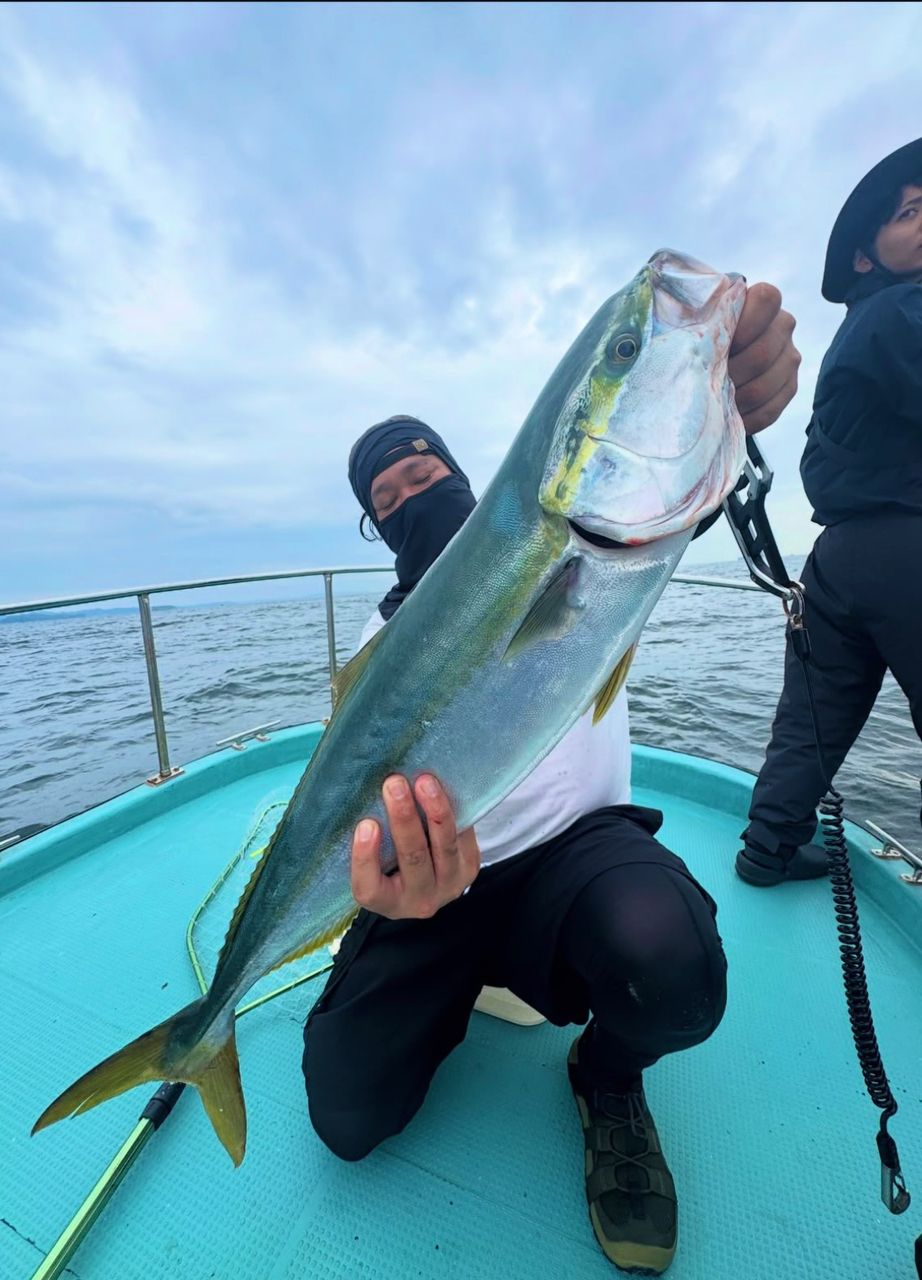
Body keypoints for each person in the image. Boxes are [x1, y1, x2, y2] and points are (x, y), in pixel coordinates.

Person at [303, 285, 802, 1275]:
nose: (408, 497)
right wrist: (386, 892)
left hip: (580, 849)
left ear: (469, 472)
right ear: (372, 529)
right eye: (385, 502)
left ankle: (606, 1073)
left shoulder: (584, 542)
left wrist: (726, 403)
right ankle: (368, 969)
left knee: (674, 966)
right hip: (437, 885)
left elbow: (647, 502)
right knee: (347, 1113)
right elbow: (362, 805)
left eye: (422, 472)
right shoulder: (378, 639)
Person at [738, 139, 922, 889]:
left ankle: (766, 851)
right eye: (912, 212)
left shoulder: (861, 326)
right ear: (862, 256)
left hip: (838, 562)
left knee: (807, 728)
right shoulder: (907, 309)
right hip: (908, 550)